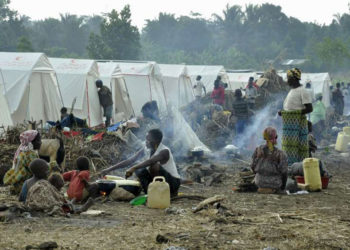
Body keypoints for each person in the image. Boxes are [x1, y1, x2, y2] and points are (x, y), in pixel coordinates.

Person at [102, 129, 181, 197]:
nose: (145, 142)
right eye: (146, 139)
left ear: (156, 141)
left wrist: (133, 168)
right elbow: (130, 160)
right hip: (160, 180)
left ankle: (166, 193)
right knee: (139, 169)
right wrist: (108, 169)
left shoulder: (164, 151)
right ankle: (150, 192)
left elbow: (151, 161)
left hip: (172, 182)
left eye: (148, 140)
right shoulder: (147, 149)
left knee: (153, 166)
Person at [280, 68, 313, 165]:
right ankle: (290, 167)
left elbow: (309, 108)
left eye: (288, 78)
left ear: (294, 78)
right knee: (289, 147)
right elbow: (290, 108)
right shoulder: (292, 90)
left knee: (298, 147)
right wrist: (284, 112)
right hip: (289, 126)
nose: (287, 80)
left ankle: (298, 168)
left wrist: (291, 113)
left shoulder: (303, 91)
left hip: (297, 125)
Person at [251, 127, 288, 194]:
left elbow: (252, 167)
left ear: (265, 137)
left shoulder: (257, 150)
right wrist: (283, 187)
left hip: (260, 183)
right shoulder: (281, 154)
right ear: (276, 137)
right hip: (275, 184)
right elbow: (284, 173)